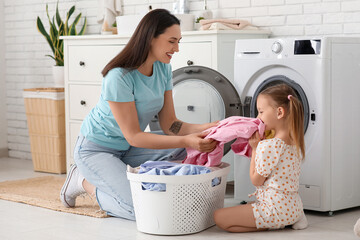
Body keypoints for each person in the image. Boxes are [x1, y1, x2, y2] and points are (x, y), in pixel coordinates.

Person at [60, 9, 218, 220]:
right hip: (96, 150)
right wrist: (188, 140)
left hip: (129, 148)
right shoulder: (119, 76)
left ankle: (129, 180)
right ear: (151, 37)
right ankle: (82, 181)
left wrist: (211, 127)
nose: (177, 49)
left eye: (179, 41)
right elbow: (134, 135)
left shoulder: (162, 69)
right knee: (141, 209)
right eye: (172, 41)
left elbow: (171, 125)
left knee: (184, 147)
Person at [214, 83, 308, 232]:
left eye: (261, 112)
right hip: (293, 206)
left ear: (279, 112)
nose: (258, 117)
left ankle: (272, 223)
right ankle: (296, 217)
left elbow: (256, 181)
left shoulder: (269, 145)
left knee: (219, 217)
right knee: (245, 208)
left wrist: (255, 149)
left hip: (275, 209)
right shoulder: (295, 142)